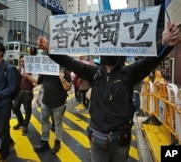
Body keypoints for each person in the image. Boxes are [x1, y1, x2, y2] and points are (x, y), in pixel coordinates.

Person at [37, 22, 180, 162]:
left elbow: (150, 61)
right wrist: (49, 49)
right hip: (96, 140)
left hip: (120, 141)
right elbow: (69, 62)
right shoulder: (93, 73)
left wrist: (165, 43)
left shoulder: (129, 73)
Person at [25, 68, 71, 154]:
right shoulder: (45, 69)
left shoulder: (63, 71)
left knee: (57, 123)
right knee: (44, 121)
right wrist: (28, 76)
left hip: (58, 103)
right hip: (46, 102)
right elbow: (38, 81)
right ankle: (44, 142)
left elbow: (67, 88)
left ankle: (57, 142)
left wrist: (62, 79)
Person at [13, 55, 34, 134]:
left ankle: (25, 125)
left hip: (27, 92)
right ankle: (20, 121)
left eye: (24, 61)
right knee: (15, 107)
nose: (22, 63)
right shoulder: (18, 70)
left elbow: (37, 80)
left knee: (27, 110)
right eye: (21, 61)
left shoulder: (32, 70)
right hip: (19, 92)